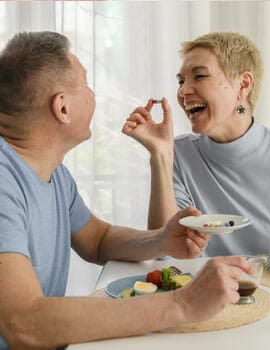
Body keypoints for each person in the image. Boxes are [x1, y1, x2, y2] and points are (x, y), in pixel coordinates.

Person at [0, 31, 254, 349]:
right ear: (62, 107)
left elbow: (98, 240)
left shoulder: (53, 175)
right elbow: (23, 323)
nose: (94, 95)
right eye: (86, 84)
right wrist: (183, 304)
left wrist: (161, 239)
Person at [123, 31, 270, 257]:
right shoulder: (177, 155)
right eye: (181, 81)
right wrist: (160, 156)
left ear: (243, 85)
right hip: (206, 293)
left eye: (199, 76)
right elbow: (164, 253)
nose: (183, 91)